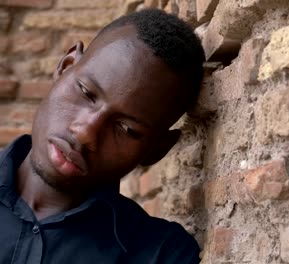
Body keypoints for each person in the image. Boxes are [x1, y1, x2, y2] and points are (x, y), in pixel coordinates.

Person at [0, 8, 205, 264]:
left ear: (156, 150)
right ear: (65, 67)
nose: (86, 133)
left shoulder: (161, 255)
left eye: (127, 129)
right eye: (86, 92)